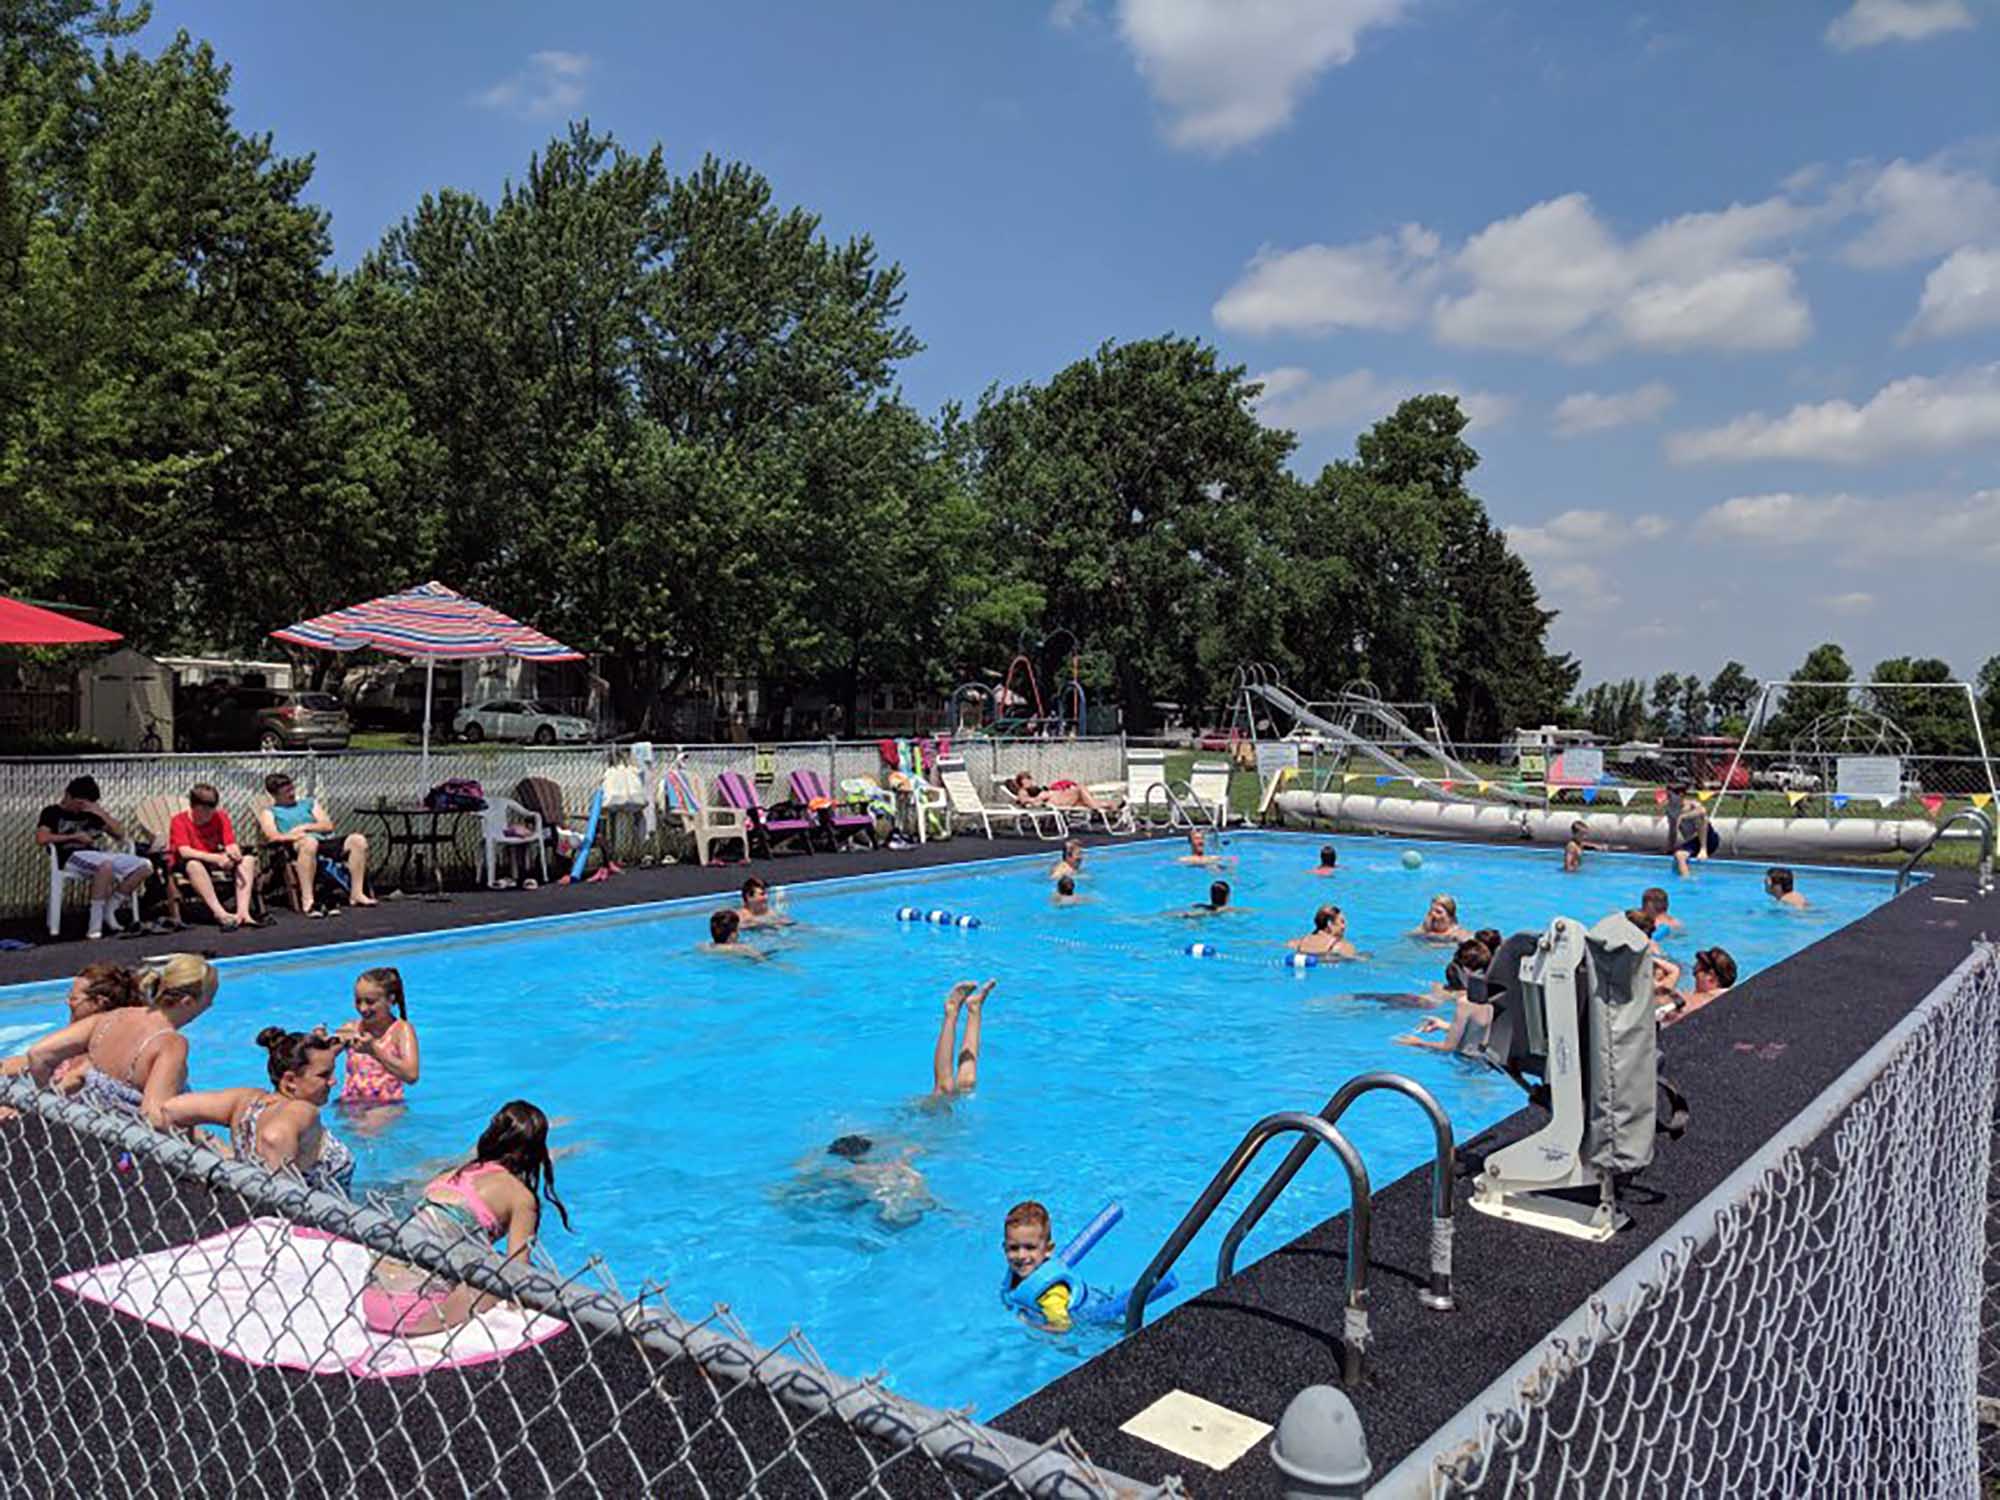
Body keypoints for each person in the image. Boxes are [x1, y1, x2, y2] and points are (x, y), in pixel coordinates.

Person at [361, 1100, 571, 1337]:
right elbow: (517, 1272)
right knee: (505, 1271)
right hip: (414, 1313)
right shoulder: (520, 1197)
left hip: (371, 1302)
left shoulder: (449, 1176)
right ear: (534, 1151)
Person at [151, 1026, 355, 1195]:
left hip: (252, 1208)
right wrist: (285, 1198)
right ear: (291, 1080)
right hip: (309, 1224)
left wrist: (193, 1170)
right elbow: (273, 1138)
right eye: (324, 1075)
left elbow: (170, 1110)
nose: (333, 1081)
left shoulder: (246, 1101)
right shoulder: (303, 1110)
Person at [24, 954, 217, 1119]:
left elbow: (38, 1054)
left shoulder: (111, 1017)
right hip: (129, 1143)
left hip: (87, 1124)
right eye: (209, 999)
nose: (210, 1006)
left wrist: (49, 1106)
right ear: (187, 1002)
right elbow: (155, 1116)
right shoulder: (170, 1043)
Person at [0, 963, 143, 1112]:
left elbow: (62, 1088)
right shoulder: (70, 1045)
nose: (67, 1002)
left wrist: (20, 1109)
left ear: (99, 1003)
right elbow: (21, 1063)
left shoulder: (106, 1053)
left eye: (73, 998)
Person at [36, 775, 153, 939]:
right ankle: (95, 924)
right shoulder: (52, 812)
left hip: (96, 855)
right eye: (79, 804)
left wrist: (101, 813)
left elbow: (120, 834)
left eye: (85, 805)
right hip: (70, 856)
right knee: (105, 865)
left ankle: (110, 908)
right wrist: (74, 837)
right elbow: (41, 838)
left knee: (144, 866)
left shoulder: (91, 813)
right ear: (68, 796)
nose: (80, 809)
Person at [254, 772, 375, 917]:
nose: (292, 794)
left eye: (292, 789)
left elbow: (327, 825)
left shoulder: (309, 803)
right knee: (310, 843)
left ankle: (357, 893)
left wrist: (305, 827)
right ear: (275, 795)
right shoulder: (270, 812)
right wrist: (293, 835)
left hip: (323, 841)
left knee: (358, 840)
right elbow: (272, 836)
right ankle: (308, 900)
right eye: (286, 792)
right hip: (298, 844)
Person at [168, 783, 265, 930]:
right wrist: (216, 858)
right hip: (188, 863)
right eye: (205, 808)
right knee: (194, 865)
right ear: (194, 806)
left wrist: (233, 854)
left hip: (213, 858)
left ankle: (243, 913)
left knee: (248, 860)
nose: (210, 812)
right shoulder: (179, 821)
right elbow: (185, 851)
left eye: (213, 806)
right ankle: (220, 913)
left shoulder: (220, 817)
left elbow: (230, 843)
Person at [335, 967, 419, 1107]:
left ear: (390, 999)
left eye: (370, 1002)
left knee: (370, 1121)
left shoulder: (400, 1030)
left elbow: (411, 1075)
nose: (362, 1008)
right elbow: (322, 1058)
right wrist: (320, 1042)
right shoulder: (351, 1029)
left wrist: (374, 1050)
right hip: (350, 1102)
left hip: (386, 1105)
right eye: (358, 1001)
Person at [1396, 939, 1495, 1053]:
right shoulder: (1493, 993)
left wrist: (1417, 1043)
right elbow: (1480, 1031)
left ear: (1463, 969)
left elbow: (1448, 1048)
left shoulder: (1466, 1002)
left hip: (1466, 1061)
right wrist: (1444, 1025)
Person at [1001, 1200, 1073, 1332]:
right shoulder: (1016, 1275)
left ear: (1048, 1249)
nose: (1021, 1255)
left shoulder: (1052, 1293)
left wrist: (1031, 1325)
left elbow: (1062, 1327)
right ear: (1005, 1248)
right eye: (1014, 1248)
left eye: (1030, 1247)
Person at [932, 980, 994, 1097]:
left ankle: (963, 1009)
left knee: (948, 1089)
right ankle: (965, 1010)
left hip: (929, 1107)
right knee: (964, 1083)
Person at [1662, 947, 1738, 1025]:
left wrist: (1674, 973)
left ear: (1711, 976)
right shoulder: (1732, 996)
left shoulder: (1694, 1002)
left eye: (1696, 973)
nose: (1695, 977)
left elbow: (1663, 1005)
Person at [1003, 770, 1119, 814]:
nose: (1029, 781)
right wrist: (1041, 797)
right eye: (1026, 779)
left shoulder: (1033, 789)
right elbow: (1025, 801)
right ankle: (1107, 806)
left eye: (1029, 778)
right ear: (1021, 782)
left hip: (1056, 797)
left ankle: (1108, 805)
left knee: (1083, 801)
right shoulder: (1023, 791)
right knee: (1080, 788)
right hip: (1053, 801)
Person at [1288, 905, 1356, 959]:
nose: (1344, 926)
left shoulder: (1298, 943)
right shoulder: (1342, 946)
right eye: (1342, 922)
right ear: (1329, 924)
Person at [1672, 800, 1719, 877]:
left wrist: (1683, 816)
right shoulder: (1673, 810)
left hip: (1708, 839)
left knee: (1700, 817)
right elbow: (1686, 836)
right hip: (1694, 841)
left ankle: (1703, 849)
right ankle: (1686, 879)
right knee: (1679, 855)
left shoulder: (1692, 803)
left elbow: (1702, 811)